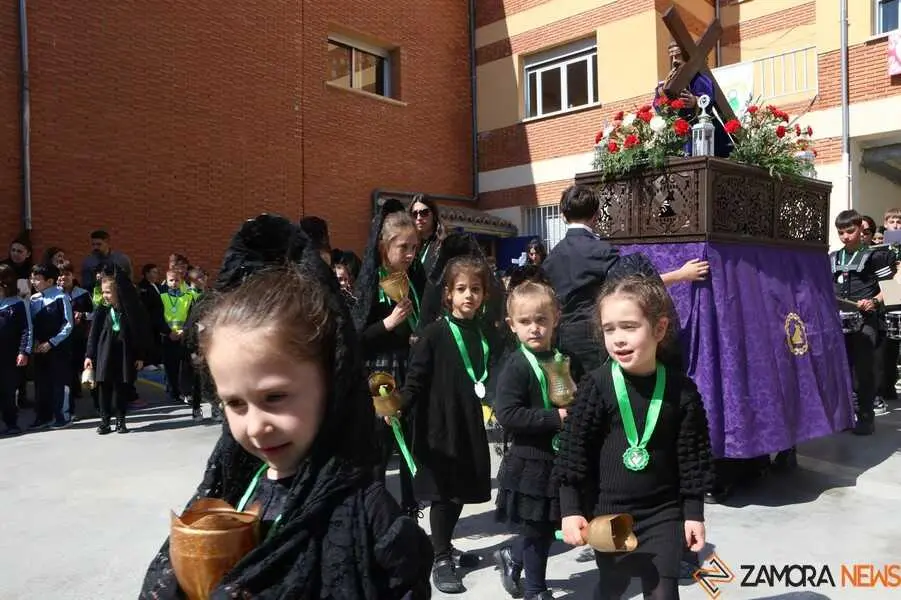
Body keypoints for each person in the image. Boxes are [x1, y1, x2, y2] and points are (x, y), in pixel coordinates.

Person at [139, 214, 433, 599]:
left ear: (331, 380)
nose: (256, 425)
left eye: (274, 397)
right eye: (235, 403)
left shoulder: (370, 516)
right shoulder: (230, 495)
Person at [553, 274, 715, 600]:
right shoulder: (596, 386)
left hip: (663, 513)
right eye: (609, 329)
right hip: (609, 514)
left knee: (662, 590)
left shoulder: (681, 392)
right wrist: (571, 510)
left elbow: (692, 459)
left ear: (659, 329)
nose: (618, 339)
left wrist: (694, 514)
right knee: (614, 586)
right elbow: (573, 452)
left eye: (629, 327)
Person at [401, 251, 502, 593]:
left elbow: (498, 370)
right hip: (439, 424)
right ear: (448, 294)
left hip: (469, 421)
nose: (469, 295)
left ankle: (444, 546)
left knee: (460, 491)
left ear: (484, 295)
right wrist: (398, 405)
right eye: (461, 289)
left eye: (475, 288)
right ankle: (440, 557)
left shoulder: (486, 332)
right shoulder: (434, 334)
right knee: (444, 493)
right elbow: (415, 380)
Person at [542, 185, 708, 383]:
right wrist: (681, 274)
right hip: (596, 338)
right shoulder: (603, 252)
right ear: (596, 216)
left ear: (563, 215)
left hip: (562, 339)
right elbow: (634, 289)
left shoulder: (550, 258)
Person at [493, 280, 569, 600]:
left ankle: (513, 555)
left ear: (556, 319)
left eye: (541, 320)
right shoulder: (516, 366)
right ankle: (536, 591)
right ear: (512, 325)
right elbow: (508, 414)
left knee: (545, 528)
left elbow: (568, 398)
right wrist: (554, 418)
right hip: (530, 463)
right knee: (538, 530)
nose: (534, 328)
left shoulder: (561, 358)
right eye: (525, 322)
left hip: (558, 459)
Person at [352, 200, 425, 518]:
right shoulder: (370, 281)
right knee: (381, 448)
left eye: (414, 247)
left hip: (411, 369)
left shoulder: (413, 279)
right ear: (384, 247)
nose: (410, 254)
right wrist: (389, 323)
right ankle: (376, 515)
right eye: (403, 247)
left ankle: (411, 509)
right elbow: (356, 337)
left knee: (412, 443)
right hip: (380, 375)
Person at [831, 209, 896, 435]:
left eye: (850, 231)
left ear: (861, 229)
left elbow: (891, 289)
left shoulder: (875, 256)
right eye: (841, 232)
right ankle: (847, 415)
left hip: (866, 320)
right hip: (839, 321)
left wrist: (874, 302)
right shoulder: (834, 257)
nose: (846, 236)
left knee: (863, 370)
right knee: (842, 369)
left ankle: (866, 417)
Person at [84, 269, 150, 434]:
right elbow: (93, 335)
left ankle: (121, 420)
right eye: (103, 292)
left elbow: (139, 334)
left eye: (108, 292)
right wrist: (89, 356)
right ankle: (105, 421)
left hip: (124, 355)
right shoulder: (102, 310)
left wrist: (140, 356)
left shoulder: (130, 311)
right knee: (104, 388)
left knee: (122, 388)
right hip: (104, 354)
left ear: (118, 292)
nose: (105, 295)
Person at [655, 40, 730, 158]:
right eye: (672, 57)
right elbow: (657, 104)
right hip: (677, 133)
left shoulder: (698, 78)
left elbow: (708, 97)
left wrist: (695, 101)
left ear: (686, 56)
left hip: (701, 129)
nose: (674, 60)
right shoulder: (666, 84)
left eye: (678, 55)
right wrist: (663, 104)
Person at [29, 263, 76, 429]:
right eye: (32, 278)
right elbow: (31, 325)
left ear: (49, 281)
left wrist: (51, 343)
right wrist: (33, 342)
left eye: (37, 279)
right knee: (41, 384)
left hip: (58, 348)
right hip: (39, 349)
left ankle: (62, 416)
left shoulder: (61, 298)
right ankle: (42, 416)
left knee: (59, 383)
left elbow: (68, 325)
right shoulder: (34, 299)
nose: (33, 281)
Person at [0, 264, 31, 436]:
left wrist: (23, 351)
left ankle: (11, 423)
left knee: (7, 390)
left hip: (9, 355)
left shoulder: (17, 303)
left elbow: (26, 329)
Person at [409, 194, 444, 275]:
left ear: (434, 215)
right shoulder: (410, 245)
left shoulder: (444, 244)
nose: (419, 218)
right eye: (415, 214)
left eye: (424, 213)